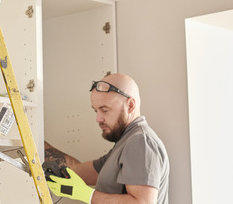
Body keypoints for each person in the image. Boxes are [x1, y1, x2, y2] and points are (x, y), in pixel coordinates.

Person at [44, 73, 169, 204]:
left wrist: (87, 194)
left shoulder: (140, 141)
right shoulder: (124, 143)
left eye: (105, 110)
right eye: (96, 111)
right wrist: (35, 148)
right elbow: (80, 171)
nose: (98, 119)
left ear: (130, 105)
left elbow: (143, 202)